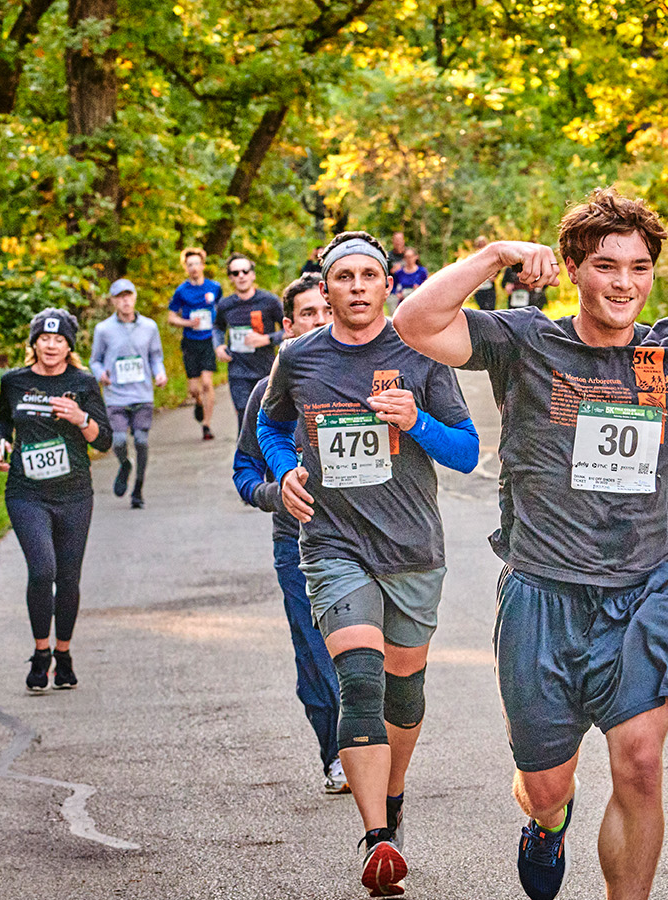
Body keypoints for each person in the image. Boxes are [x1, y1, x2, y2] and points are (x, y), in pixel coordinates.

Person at [393, 188, 668, 900]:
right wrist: (495, 256)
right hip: (542, 593)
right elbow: (414, 323)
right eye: (605, 265)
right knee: (545, 783)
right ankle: (547, 822)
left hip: (646, 588)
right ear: (572, 267)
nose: (624, 283)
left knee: (641, 763)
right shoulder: (525, 340)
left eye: (640, 267)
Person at [257, 231, 480, 898]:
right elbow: (270, 427)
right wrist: (284, 470)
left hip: (412, 549)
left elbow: (466, 452)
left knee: (403, 689)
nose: (356, 286)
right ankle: (377, 836)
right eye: (343, 277)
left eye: (368, 276)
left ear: (389, 286)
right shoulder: (297, 358)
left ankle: (395, 792)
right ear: (324, 290)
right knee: (359, 679)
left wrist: (416, 421)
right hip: (332, 543)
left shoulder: (421, 353)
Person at [232, 272, 348, 794]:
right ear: (288, 325)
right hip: (296, 542)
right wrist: (276, 493)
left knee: (371, 655)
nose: (320, 322)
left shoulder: (365, 380)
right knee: (316, 653)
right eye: (308, 314)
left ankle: (369, 746)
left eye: (327, 311)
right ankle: (336, 755)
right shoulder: (267, 392)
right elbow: (243, 471)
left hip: (368, 539)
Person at [0, 308, 113, 691]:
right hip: (26, 492)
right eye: (44, 338)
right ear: (33, 343)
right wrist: (1, 443)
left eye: (58, 339)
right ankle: (40, 651)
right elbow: (2, 420)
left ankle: (63, 654)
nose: (50, 345)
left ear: (68, 346)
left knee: (69, 576)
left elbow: (104, 440)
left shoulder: (82, 383)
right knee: (43, 570)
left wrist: (80, 417)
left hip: (74, 493)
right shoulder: (13, 382)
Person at [89, 279, 168, 509]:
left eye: (128, 295)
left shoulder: (149, 327)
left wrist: (160, 374)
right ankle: (125, 464)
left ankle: (138, 489)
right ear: (113, 301)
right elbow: (95, 360)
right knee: (120, 439)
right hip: (116, 395)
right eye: (119, 297)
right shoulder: (103, 330)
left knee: (142, 441)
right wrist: (100, 374)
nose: (125, 301)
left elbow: (155, 356)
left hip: (142, 393)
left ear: (134, 297)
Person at [215, 253, 284, 432]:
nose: (241, 276)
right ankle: (247, 458)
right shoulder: (225, 305)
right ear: (230, 278)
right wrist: (219, 345)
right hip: (238, 372)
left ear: (252, 274)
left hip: (266, 370)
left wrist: (268, 339)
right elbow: (217, 328)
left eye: (245, 271)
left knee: (267, 416)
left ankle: (268, 456)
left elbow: (290, 329)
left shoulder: (269, 301)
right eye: (235, 272)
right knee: (244, 415)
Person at [167, 247, 222, 441]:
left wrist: (220, 329)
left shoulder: (214, 287)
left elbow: (222, 310)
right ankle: (198, 402)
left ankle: (206, 425)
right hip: (190, 341)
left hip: (208, 340)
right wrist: (188, 323)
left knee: (207, 383)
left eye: (197, 263)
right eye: (190, 264)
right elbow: (171, 317)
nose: (194, 268)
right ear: (186, 268)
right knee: (194, 389)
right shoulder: (182, 291)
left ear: (203, 265)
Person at [469, 235, 497, 310]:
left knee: (490, 309)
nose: (481, 247)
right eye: (479, 245)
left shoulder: (491, 257)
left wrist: (494, 276)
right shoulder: (473, 258)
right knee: (482, 309)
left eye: (483, 245)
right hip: (479, 289)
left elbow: (497, 268)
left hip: (489, 288)